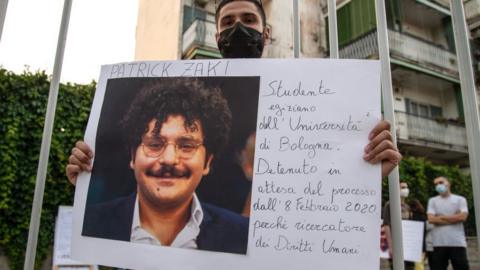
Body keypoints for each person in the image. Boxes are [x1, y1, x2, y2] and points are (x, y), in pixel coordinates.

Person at [67, 0, 402, 187]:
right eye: (227, 22)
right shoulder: (183, 98)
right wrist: (88, 177)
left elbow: (322, 184)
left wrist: (367, 174)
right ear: (217, 37)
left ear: (266, 32)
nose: (237, 28)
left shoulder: (310, 98)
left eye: (247, 19)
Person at [82, 78, 248, 254]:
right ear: (133, 157)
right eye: (154, 144)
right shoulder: (88, 224)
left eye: (186, 146)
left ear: (207, 162)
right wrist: (80, 180)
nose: (169, 159)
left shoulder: (242, 236)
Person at [427, 176, 470, 270]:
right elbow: (431, 219)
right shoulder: (432, 201)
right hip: (438, 243)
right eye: (436, 184)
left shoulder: (460, 199)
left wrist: (440, 217)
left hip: (457, 242)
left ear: (448, 183)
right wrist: (454, 217)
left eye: (441, 182)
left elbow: (463, 217)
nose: (438, 185)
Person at [382, 181, 419, 270]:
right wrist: (390, 246)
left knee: (410, 267)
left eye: (406, 187)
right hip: (395, 243)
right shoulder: (389, 204)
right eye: (402, 187)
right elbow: (386, 225)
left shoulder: (407, 207)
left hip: (408, 245)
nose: (405, 189)